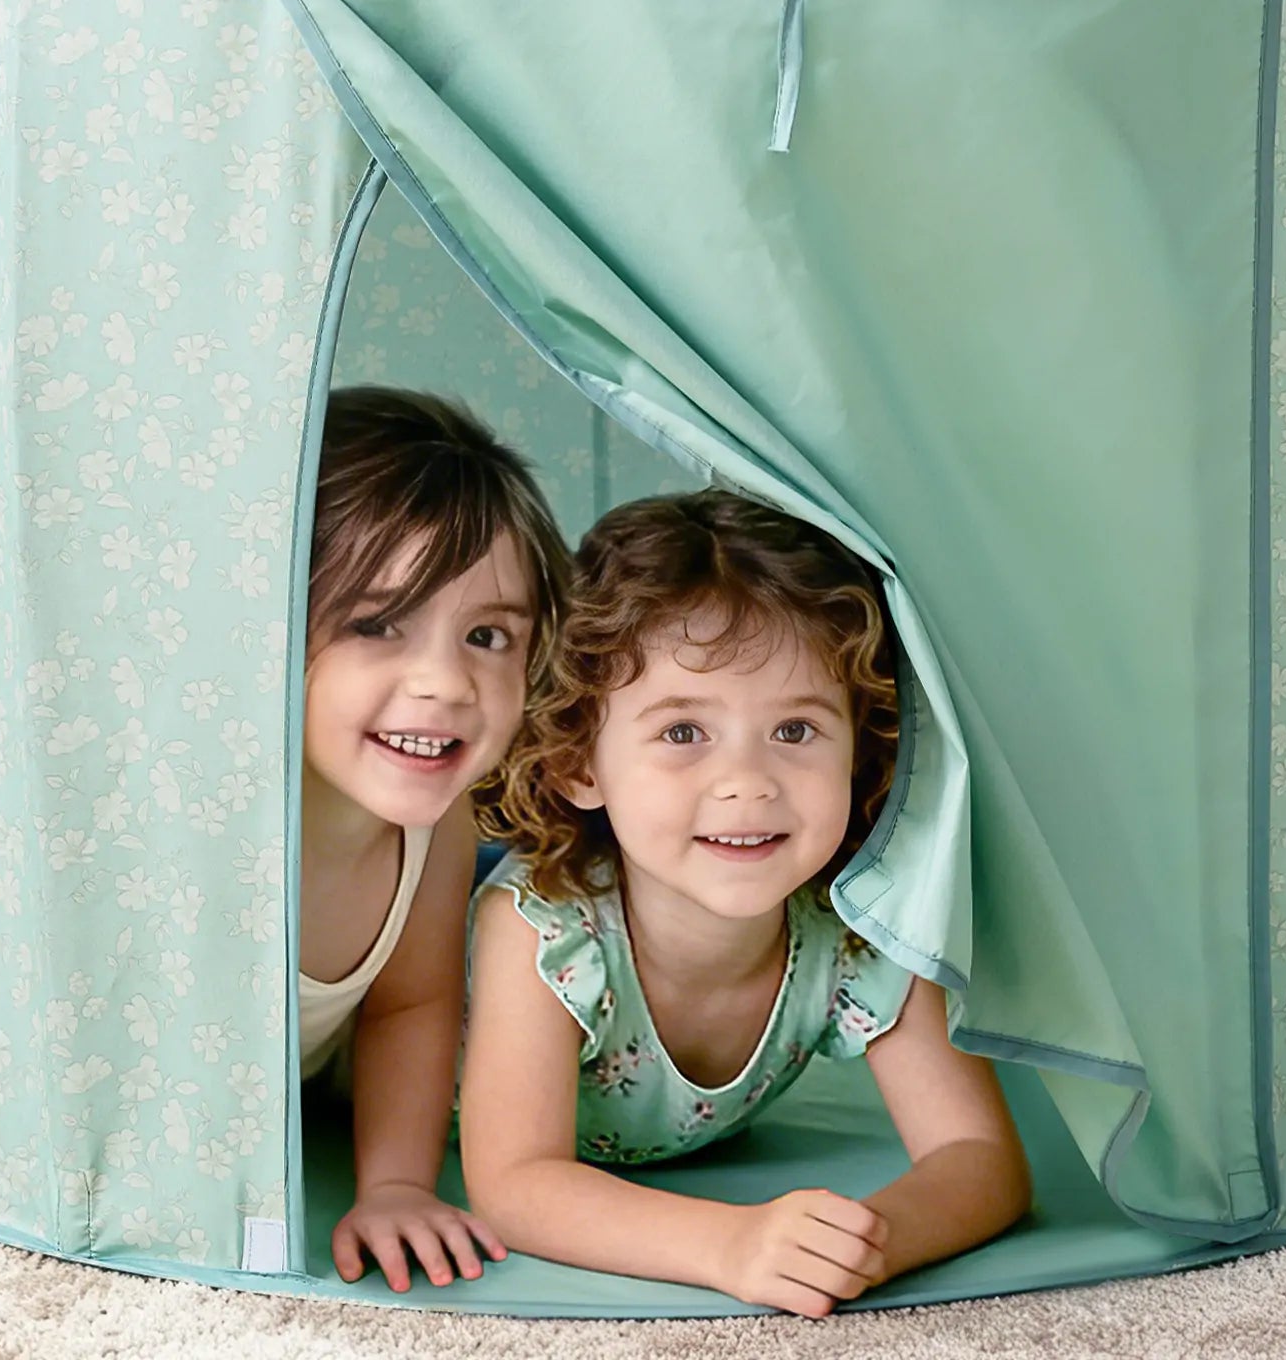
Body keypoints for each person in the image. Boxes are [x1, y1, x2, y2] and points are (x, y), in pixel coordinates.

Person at [461, 490, 1029, 1317]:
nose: (748, 782)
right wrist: (727, 1245)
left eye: (795, 731)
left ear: (858, 753)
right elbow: (515, 1181)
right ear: (580, 762)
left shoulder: (856, 928)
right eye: (684, 733)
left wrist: (848, 1248)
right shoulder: (541, 926)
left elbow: (980, 1156)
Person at [300, 386, 567, 1292]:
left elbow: (409, 1008)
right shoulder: (215, 823)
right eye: (378, 624)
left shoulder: (437, 827)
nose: (446, 682)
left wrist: (397, 1185)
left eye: (488, 635)